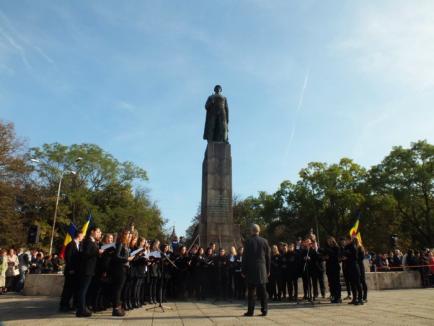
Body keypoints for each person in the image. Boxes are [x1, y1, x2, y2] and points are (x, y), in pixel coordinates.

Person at [241, 224, 270, 317]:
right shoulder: (264, 241)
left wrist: (243, 271)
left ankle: (250, 311)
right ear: (259, 231)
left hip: (251, 270)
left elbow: (244, 257)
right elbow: (268, 257)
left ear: (251, 231)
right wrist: (268, 270)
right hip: (262, 269)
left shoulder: (248, 241)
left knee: (251, 292)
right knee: (263, 292)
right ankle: (264, 310)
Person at [76, 226, 102, 317]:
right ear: (92, 232)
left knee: (85, 290)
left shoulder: (93, 242)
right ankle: (81, 309)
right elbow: (85, 254)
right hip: (86, 269)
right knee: (83, 290)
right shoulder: (88, 241)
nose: (99, 234)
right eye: (98, 232)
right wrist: (98, 252)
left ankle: (83, 307)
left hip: (90, 269)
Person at [59, 231, 84, 312]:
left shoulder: (79, 245)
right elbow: (68, 258)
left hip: (75, 271)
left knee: (72, 289)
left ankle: (68, 304)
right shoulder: (71, 244)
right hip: (71, 271)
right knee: (68, 289)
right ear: (79, 235)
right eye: (82, 235)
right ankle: (63, 305)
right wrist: (71, 269)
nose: (83, 237)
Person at [111, 229, 133, 317]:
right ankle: (116, 308)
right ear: (124, 235)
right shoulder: (120, 243)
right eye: (128, 235)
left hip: (124, 268)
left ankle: (118, 307)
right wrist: (127, 259)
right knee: (118, 289)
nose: (129, 237)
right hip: (119, 269)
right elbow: (116, 257)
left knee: (120, 289)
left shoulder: (125, 245)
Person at [343, 235, 363, 305]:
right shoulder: (346, 247)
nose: (345, 241)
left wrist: (347, 257)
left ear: (349, 240)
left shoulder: (353, 246)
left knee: (357, 283)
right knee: (352, 284)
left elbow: (355, 256)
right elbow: (343, 253)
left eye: (346, 240)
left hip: (354, 266)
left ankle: (360, 299)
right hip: (349, 267)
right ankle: (354, 298)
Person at [324, 237, 341, 303]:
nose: (329, 242)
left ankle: (338, 297)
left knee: (336, 282)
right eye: (328, 241)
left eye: (330, 241)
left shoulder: (337, 248)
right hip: (329, 267)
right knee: (331, 283)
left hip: (335, 267)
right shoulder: (327, 249)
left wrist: (329, 254)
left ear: (333, 241)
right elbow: (326, 256)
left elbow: (337, 256)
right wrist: (325, 257)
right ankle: (333, 296)